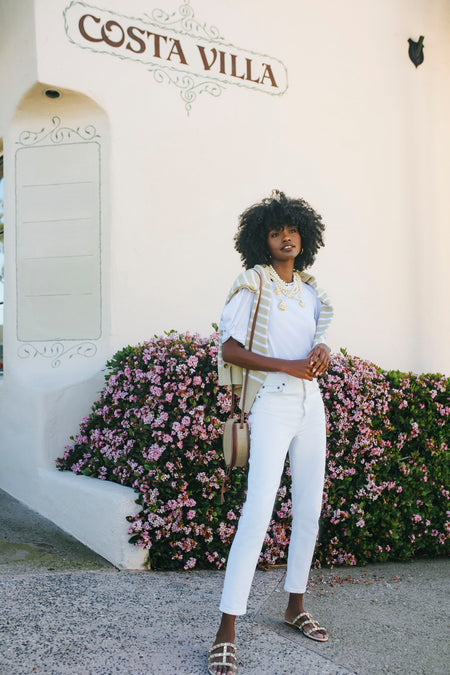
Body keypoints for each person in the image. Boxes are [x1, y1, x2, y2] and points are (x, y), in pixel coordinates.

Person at [207, 190, 334, 675]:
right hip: (272, 404)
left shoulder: (311, 291)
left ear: (305, 237)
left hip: (310, 404)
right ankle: (226, 628)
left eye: (293, 230)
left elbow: (314, 343)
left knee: (309, 508)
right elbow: (230, 350)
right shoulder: (252, 284)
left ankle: (294, 604)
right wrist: (288, 365)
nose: (286, 238)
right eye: (277, 231)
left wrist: (322, 354)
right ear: (262, 240)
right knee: (258, 510)